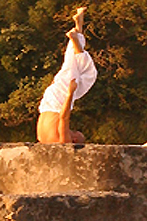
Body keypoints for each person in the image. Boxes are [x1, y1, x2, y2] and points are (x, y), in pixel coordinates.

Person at [36, 7, 97, 144]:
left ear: (74, 139)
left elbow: (63, 118)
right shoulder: (44, 139)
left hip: (59, 102)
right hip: (47, 101)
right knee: (73, 64)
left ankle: (75, 36)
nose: (72, 131)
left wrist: (70, 93)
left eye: (74, 132)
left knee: (88, 74)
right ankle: (78, 26)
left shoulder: (65, 142)